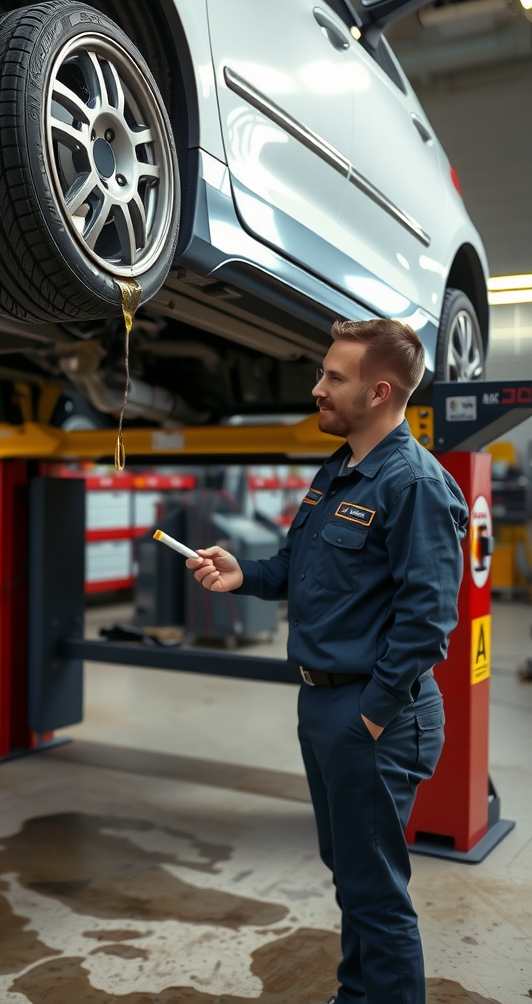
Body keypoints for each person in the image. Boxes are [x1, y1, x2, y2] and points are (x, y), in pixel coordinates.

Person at [188, 319, 468, 1004]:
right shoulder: (339, 470)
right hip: (323, 703)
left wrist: (370, 718)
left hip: (374, 710)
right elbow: (297, 566)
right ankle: (357, 995)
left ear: (378, 392)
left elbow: (428, 622)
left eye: (332, 378)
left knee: (375, 890)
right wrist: (242, 574)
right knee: (350, 873)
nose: (317, 388)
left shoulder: (414, 485)